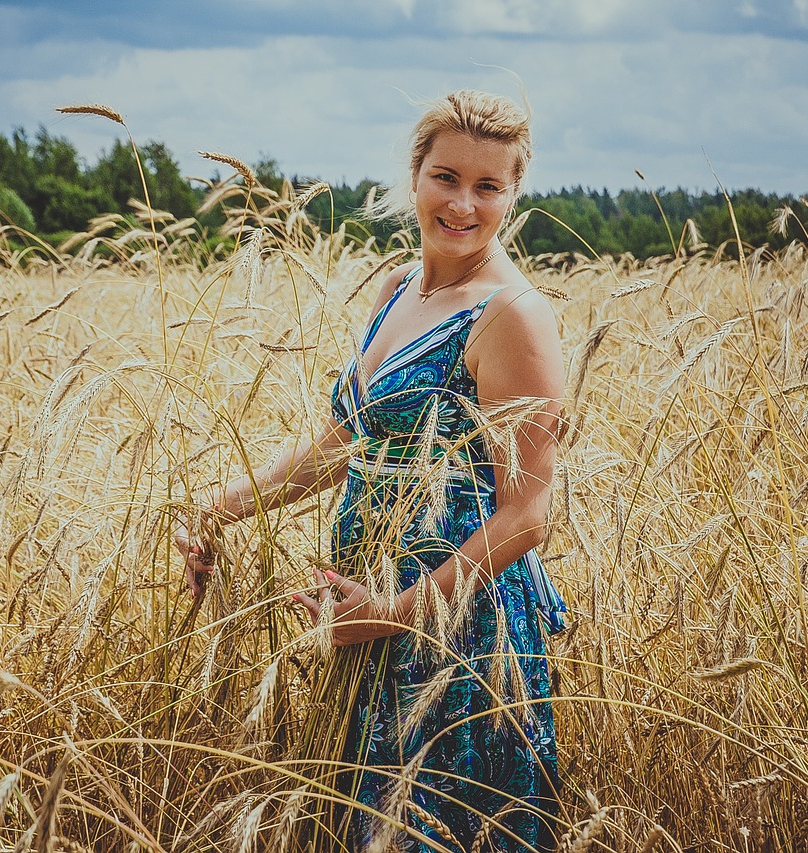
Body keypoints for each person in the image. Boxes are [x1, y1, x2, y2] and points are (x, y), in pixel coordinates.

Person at [176, 89, 567, 852]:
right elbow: (342, 442)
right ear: (415, 173)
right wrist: (215, 509)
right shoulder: (398, 290)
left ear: (514, 195)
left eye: (489, 186)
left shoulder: (512, 315)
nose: (462, 203)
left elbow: (527, 515)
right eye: (446, 176)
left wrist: (395, 610)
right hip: (366, 605)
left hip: (457, 628)